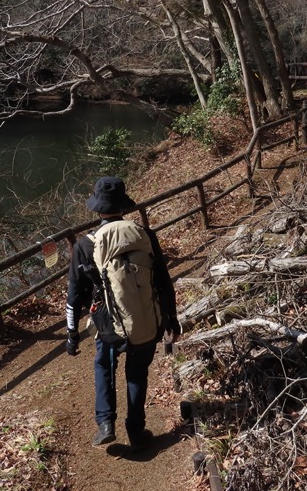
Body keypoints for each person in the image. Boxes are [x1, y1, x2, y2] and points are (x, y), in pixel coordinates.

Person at [65, 176, 181, 450]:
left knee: (104, 364)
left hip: (108, 323)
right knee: (137, 372)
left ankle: (106, 423)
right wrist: (171, 317)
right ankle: (136, 431)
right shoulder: (144, 235)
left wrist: (72, 334)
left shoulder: (85, 245)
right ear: (123, 205)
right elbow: (163, 280)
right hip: (146, 318)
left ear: (97, 207)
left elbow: (73, 294)